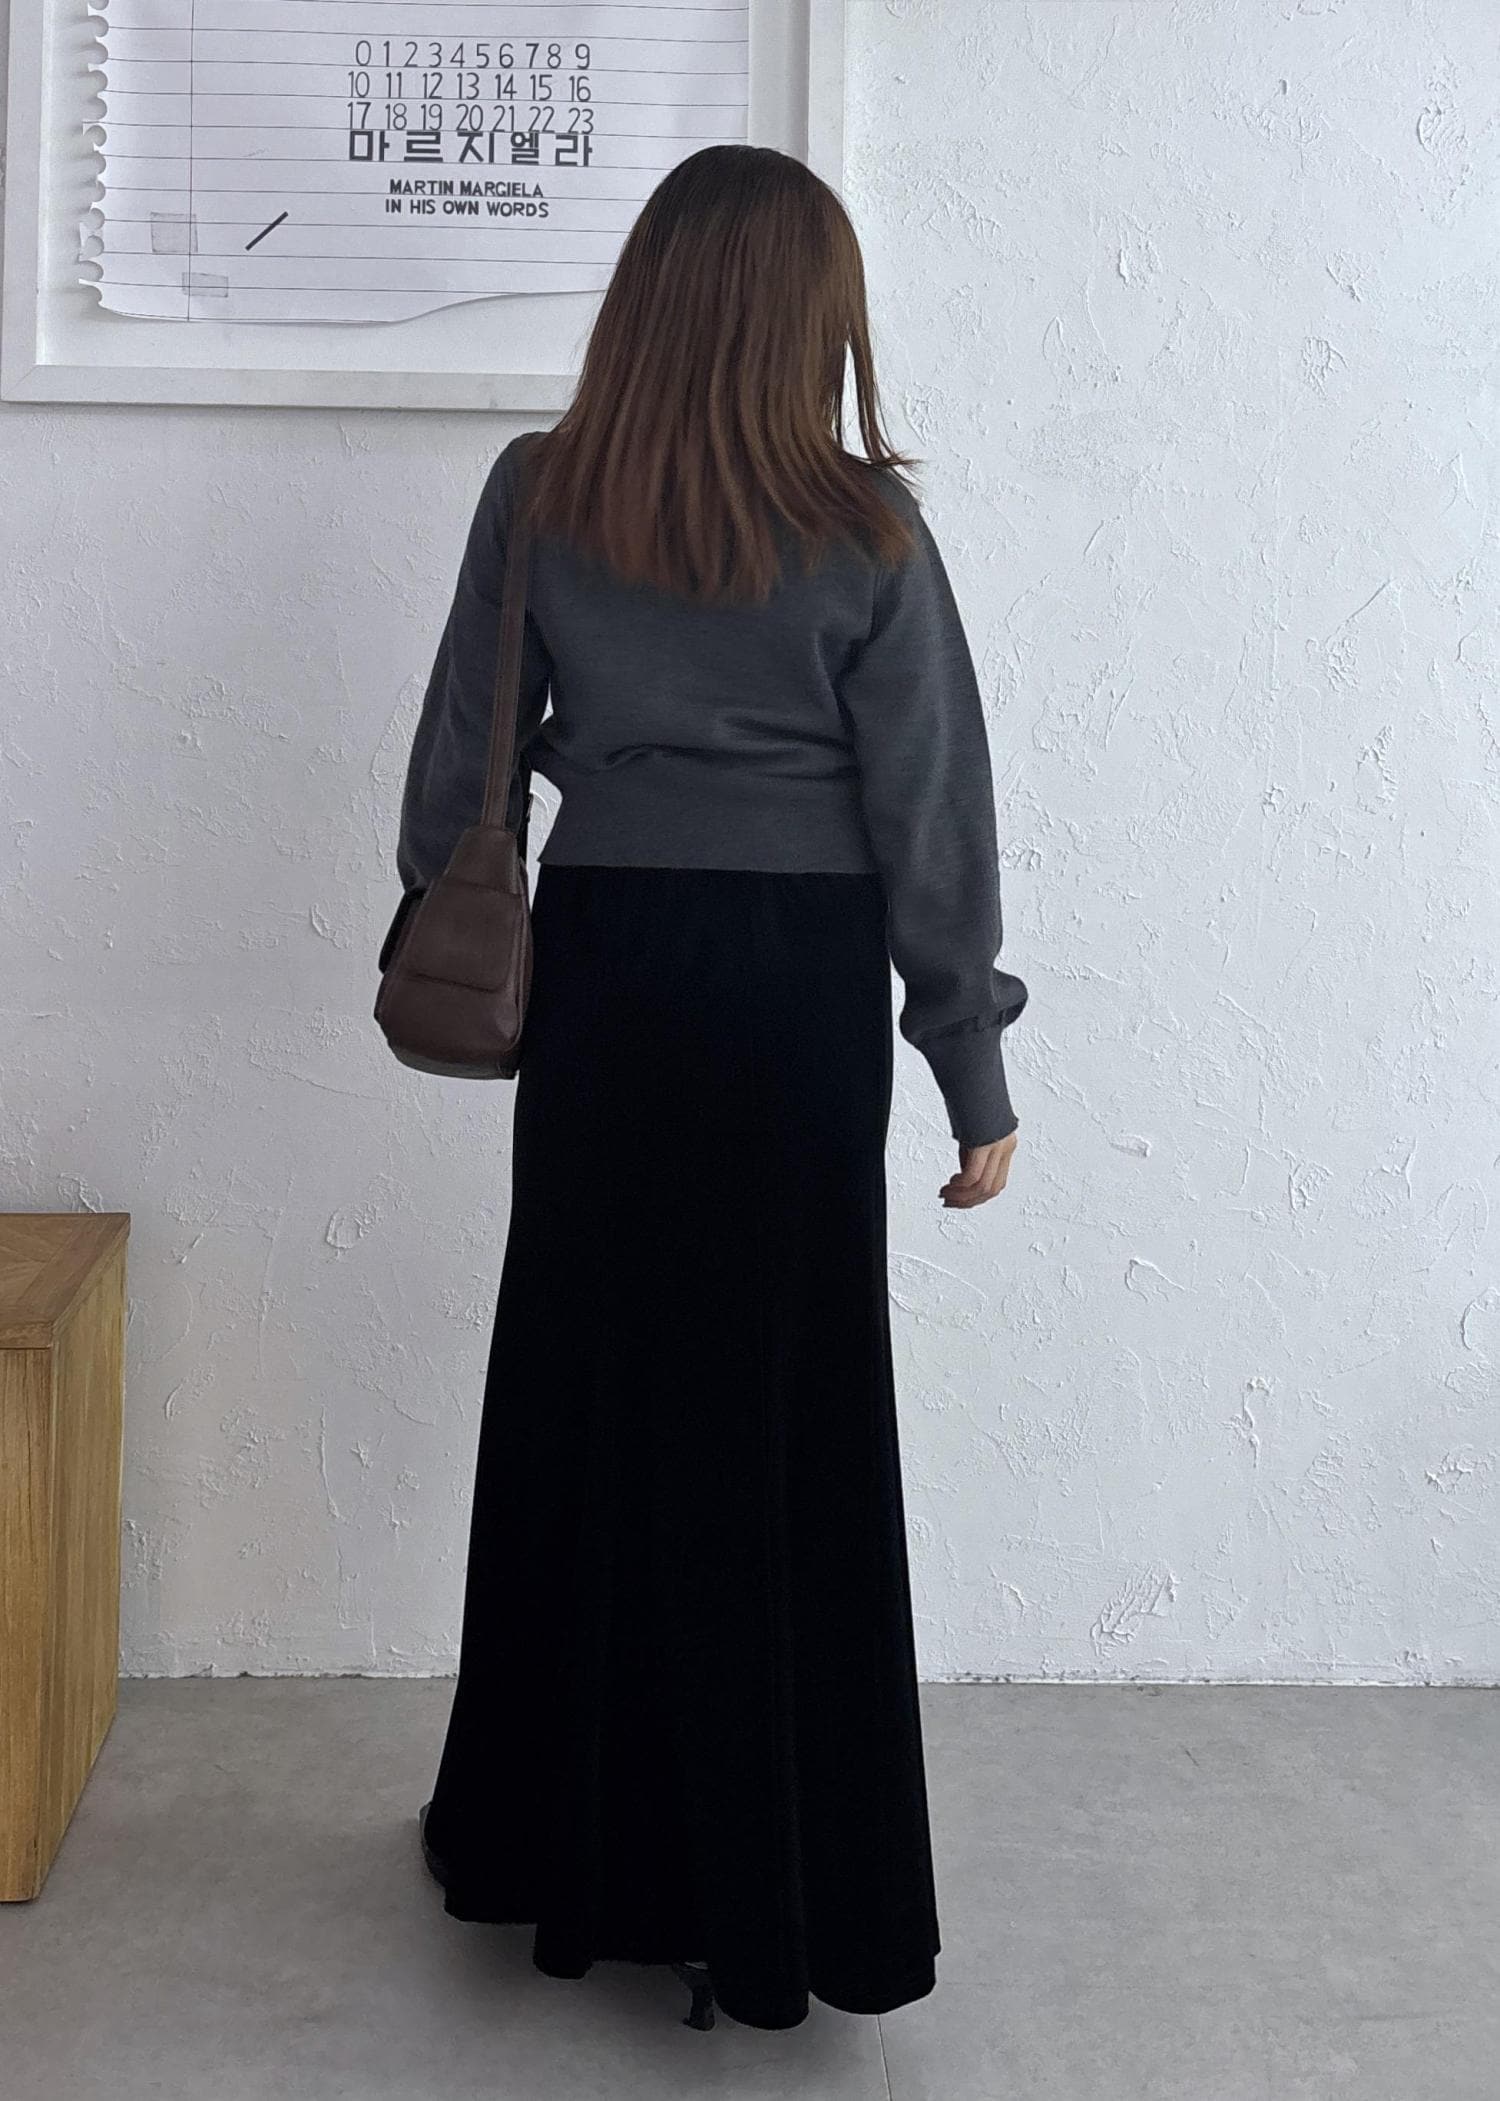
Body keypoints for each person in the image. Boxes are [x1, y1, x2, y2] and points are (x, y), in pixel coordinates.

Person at [382, 141, 1028, 2035]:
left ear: (648, 298)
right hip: (798, 994)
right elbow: (932, 813)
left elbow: (459, 759)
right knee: (785, 1412)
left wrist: (459, 921)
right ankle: (784, 1890)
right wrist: (969, 1061)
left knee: (585, 1393)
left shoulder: (543, 488)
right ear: (812, 319)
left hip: (613, 976)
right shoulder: (867, 529)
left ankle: (545, 1844)